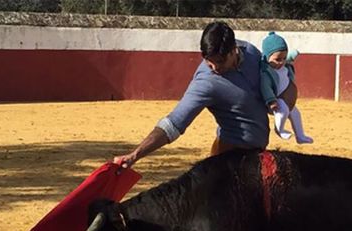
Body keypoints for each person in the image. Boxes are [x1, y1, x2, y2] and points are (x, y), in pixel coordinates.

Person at [114, 21, 271, 168]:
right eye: (209, 61)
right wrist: (135, 154)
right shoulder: (206, 82)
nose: (215, 67)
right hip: (228, 161)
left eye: (220, 61)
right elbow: (174, 123)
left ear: (233, 50)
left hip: (258, 156)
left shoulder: (250, 52)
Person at [259, 32, 313, 144]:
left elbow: (289, 57)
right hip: (276, 101)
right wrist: (271, 100)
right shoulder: (266, 73)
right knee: (283, 110)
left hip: (288, 101)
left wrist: (294, 54)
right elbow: (266, 87)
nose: (281, 62)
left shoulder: (284, 65)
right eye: (278, 59)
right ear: (267, 57)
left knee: (296, 114)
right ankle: (280, 130)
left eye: (284, 58)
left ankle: (300, 136)